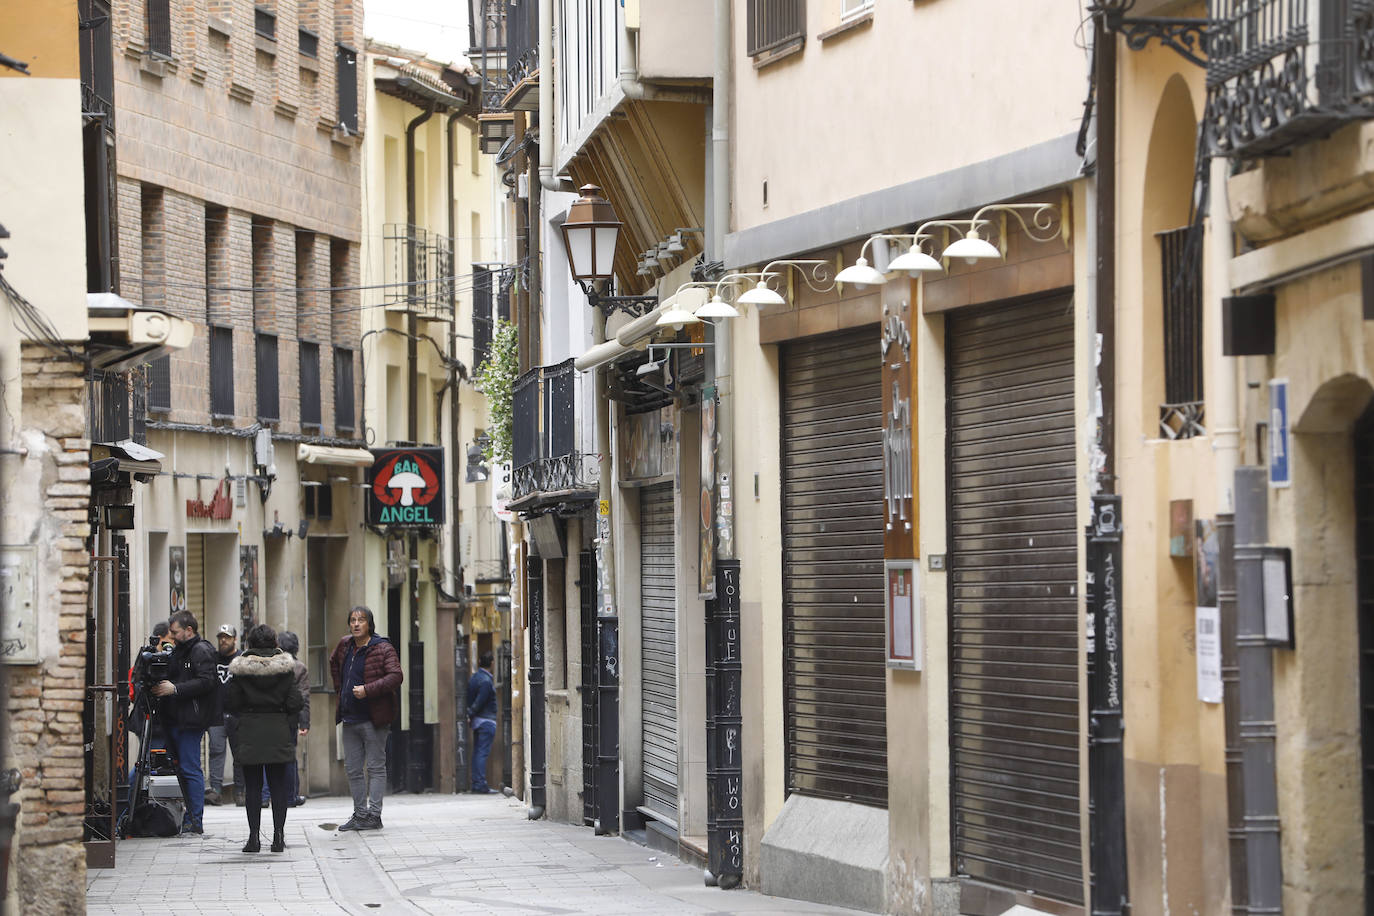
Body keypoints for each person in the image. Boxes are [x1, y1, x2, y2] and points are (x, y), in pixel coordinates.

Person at [225, 623, 302, 853]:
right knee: (278, 786)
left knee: (253, 787)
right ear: (274, 643)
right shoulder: (284, 669)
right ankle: (278, 838)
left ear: (249, 644)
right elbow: (296, 702)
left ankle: (253, 838)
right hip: (277, 729)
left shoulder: (241, 670)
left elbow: (231, 702)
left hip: (250, 730)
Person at [329, 606, 402, 832]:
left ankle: (374, 815)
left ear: (369, 624)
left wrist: (368, 690)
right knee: (353, 769)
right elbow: (333, 663)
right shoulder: (345, 645)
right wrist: (342, 691)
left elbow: (396, 676)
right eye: (352, 620)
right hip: (350, 718)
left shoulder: (382, 648)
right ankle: (360, 814)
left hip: (374, 718)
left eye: (361, 620)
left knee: (375, 767)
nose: (356, 624)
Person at [150, 611, 218, 835]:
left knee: (190, 769)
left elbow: (207, 682)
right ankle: (189, 818)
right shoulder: (179, 651)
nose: (171, 636)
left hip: (190, 720)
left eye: (175, 632)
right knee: (181, 768)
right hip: (174, 719)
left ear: (189, 630)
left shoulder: (201, 650)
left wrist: (175, 689)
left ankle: (194, 820)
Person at [271, 630, 309, 808]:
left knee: (269, 756)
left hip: (270, 717)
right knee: (289, 757)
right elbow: (303, 698)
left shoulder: (270, 665)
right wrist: (304, 723)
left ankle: (267, 795)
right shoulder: (299, 668)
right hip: (290, 719)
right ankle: (290, 795)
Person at [205, 624, 240, 806]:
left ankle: (240, 792)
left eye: (227, 637)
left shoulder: (241, 659)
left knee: (239, 753)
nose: (223, 640)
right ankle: (216, 790)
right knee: (216, 751)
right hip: (216, 714)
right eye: (220, 637)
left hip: (237, 714)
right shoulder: (212, 659)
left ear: (235, 639)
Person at [466, 650, 498, 794]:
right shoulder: (486, 681)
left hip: (477, 720)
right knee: (482, 752)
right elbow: (480, 701)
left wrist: (470, 714)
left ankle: (477, 782)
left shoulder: (474, 678)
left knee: (477, 752)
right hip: (486, 720)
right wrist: (471, 712)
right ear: (491, 663)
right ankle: (480, 784)